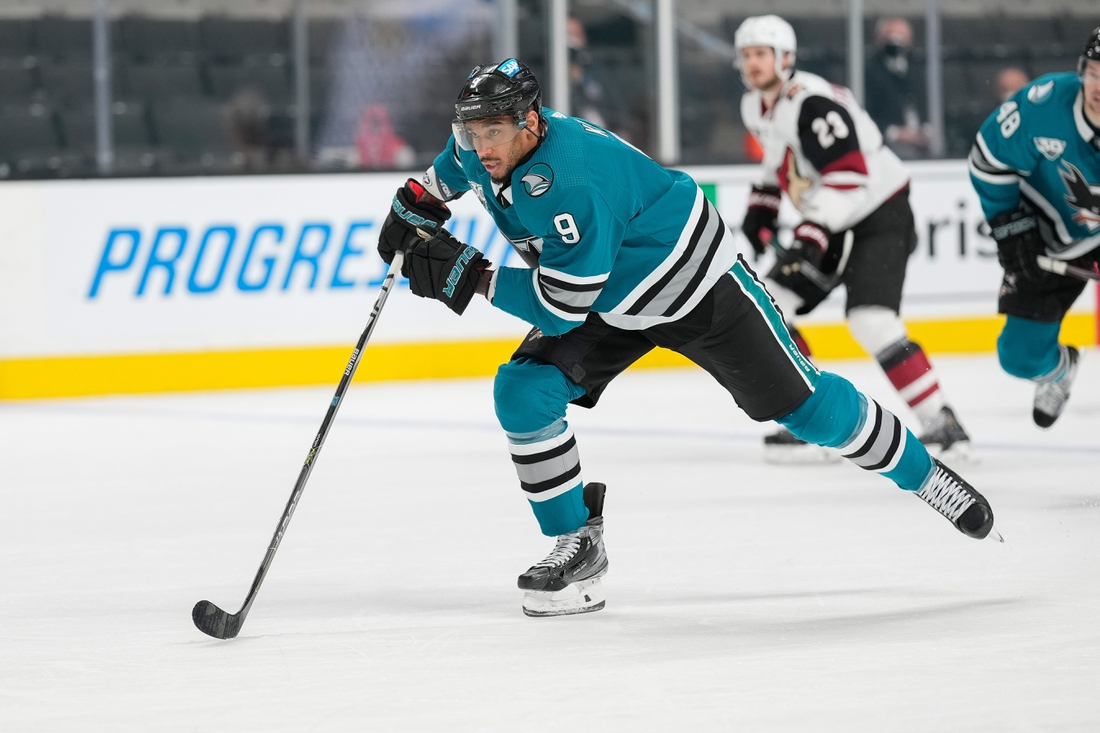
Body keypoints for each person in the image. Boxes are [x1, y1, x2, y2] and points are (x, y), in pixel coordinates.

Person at [377, 58, 997, 618]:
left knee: (806, 408)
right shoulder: (482, 142)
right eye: (472, 131)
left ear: (531, 123)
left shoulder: (575, 181)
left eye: (493, 132)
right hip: (609, 294)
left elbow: (564, 306)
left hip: (696, 286)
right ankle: (577, 545)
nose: (480, 146)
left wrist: (472, 277)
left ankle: (924, 475)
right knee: (522, 391)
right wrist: (412, 203)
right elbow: (445, 174)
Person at [735, 15, 972, 464]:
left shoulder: (813, 103)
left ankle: (942, 422)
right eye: (747, 55)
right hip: (833, 218)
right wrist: (761, 205)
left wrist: (812, 229)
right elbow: (782, 159)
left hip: (879, 212)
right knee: (771, 307)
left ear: (785, 58)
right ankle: (812, 417)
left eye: (761, 54)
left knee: (872, 320)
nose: (753, 63)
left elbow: (849, 174)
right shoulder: (756, 105)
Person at [967, 29, 1100, 427]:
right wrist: (1012, 227)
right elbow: (988, 161)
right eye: (1094, 73)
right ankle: (1060, 370)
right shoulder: (1044, 106)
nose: (1099, 86)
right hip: (1048, 238)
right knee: (1019, 357)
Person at [864, 17, 931, 160]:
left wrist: (926, 130)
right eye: (892, 38)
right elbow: (866, 113)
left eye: (902, 37)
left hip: (923, 140)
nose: (897, 43)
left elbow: (930, 105)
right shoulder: (870, 72)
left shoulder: (919, 69)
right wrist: (896, 133)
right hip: (889, 144)